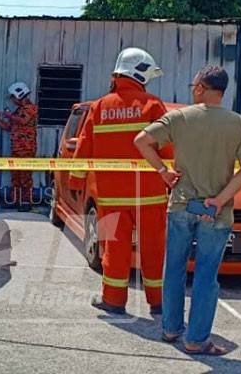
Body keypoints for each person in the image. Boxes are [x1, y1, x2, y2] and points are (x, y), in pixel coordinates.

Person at [135, 66, 241, 356]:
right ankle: (197, 339)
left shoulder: (179, 118)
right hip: (216, 212)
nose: (193, 89)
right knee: (205, 275)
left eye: (194, 85)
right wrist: (219, 199)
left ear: (201, 87)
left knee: (174, 269)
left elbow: (141, 141)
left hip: (180, 204)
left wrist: (163, 171)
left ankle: (170, 328)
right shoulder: (240, 125)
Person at [71, 48, 172, 316]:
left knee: (114, 247)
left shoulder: (100, 107)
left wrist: (75, 179)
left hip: (111, 194)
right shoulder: (152, 105)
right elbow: (167, 147)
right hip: (149, 193)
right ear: (139, 72)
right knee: (153, 248)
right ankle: (158, 302)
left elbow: (83, 146)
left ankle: (114, 301)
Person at [0, 81, 38, 211]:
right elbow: (8, 127)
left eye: (12, 97)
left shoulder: (31, 109)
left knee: (25, 177)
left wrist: (8, 115)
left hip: (26, 149)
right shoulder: (18, 111)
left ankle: (26, 202)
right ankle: (16, 200)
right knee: (15, 176)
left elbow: (23, 120)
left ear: (19, 94)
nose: (12, 100)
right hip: (16, 149)